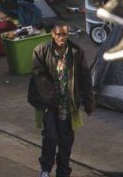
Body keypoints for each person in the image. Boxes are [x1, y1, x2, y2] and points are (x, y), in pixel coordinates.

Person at [28, 24, 95, 177]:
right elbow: (39, 77)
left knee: (65, 140)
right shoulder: (41, 51)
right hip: (47, 103)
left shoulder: (76, 52)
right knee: (51, 137)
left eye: (64, 34)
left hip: (67, 104)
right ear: (52, 34)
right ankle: (45, 169)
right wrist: (52, 98)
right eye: (58, 34)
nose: (61, 37)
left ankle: (63, 172)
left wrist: (89, 101)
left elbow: (85, 77)